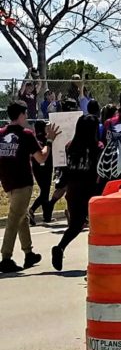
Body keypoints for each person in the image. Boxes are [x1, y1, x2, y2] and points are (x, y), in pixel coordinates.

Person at [1, 102, 57, 273]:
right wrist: (49, 141)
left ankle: (28, 252)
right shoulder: (26, 134)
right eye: (25, 114)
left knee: (21, 217)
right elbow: (41, 158)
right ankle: (6, 258)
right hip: (23, 183)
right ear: (22, 115)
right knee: (13, 220)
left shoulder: (1, 134)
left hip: (8, 182)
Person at [51, 110, 103, 271]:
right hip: (92, 191)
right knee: (100, 226)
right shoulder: (97, 147)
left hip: (73, 190)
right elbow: (100, 170)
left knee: (75, 225)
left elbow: (67, 170)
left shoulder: (70, 147)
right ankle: (100, 259)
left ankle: (60, 247)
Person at [29, 118, 55, 225]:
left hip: (39, 168)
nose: (47, 128)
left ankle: (47, 216)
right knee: (45, 192)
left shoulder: (37, 139)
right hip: (43, 168)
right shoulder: (42, 140)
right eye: (45, 126)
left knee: (45, 191)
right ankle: (31, 210)